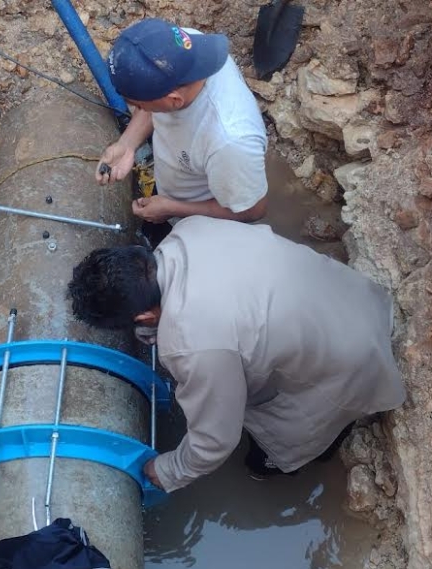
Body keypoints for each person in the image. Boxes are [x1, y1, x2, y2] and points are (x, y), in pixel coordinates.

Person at [67, 216, 406, 492]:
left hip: (357, 361)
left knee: (264, 461)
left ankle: (321, 450)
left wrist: (169, 470)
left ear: (143, 316)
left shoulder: (193, 342)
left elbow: (215, 440)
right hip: (359, 302)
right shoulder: (189, 230)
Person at [96, 18, 268, 227]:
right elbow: (153, 102)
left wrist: (171, 209)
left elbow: (253, 209)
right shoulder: (179, 49)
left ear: (174, 100)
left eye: (139, 106)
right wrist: (127, 145)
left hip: (207, 222)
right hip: (176, 185)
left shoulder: (230, 142)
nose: (139, 110)